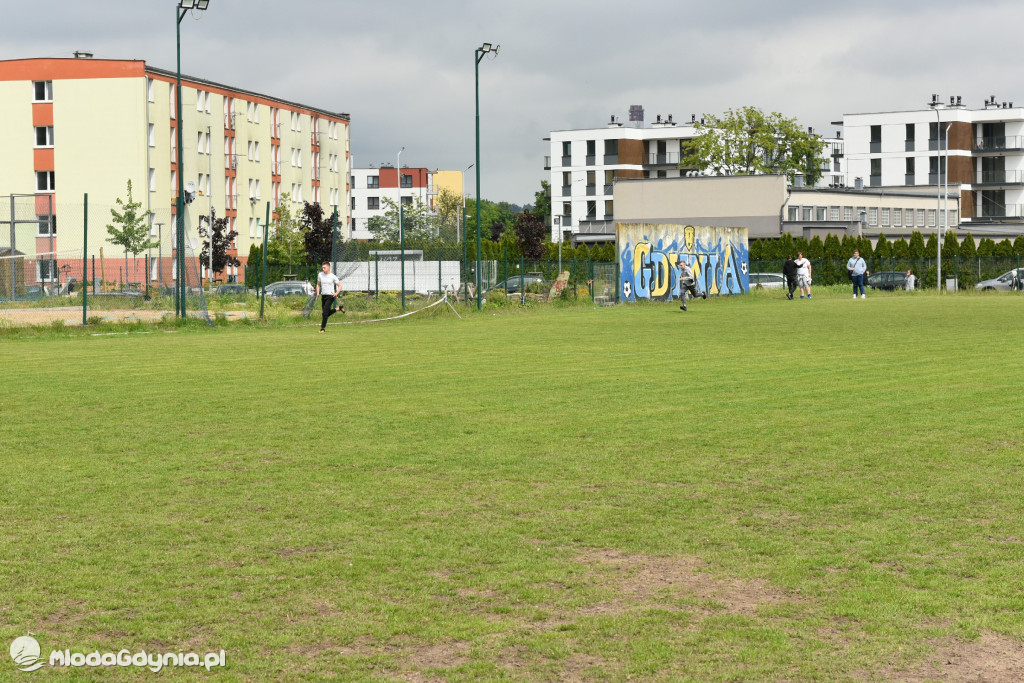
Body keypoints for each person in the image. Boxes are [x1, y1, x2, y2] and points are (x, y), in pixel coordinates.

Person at [315, 262, 344, 332]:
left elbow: (340, 286)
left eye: (324, 267)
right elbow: (318, 285)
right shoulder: (320, 275)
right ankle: (339, 308)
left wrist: (336, 293)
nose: (323, 269)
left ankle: (322, 328)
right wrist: (318, 293)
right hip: (323, 296)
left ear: (328, 267)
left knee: (325, 313)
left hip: (330, 296)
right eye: (322, 267)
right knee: (325, 313)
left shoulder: (333, 276)